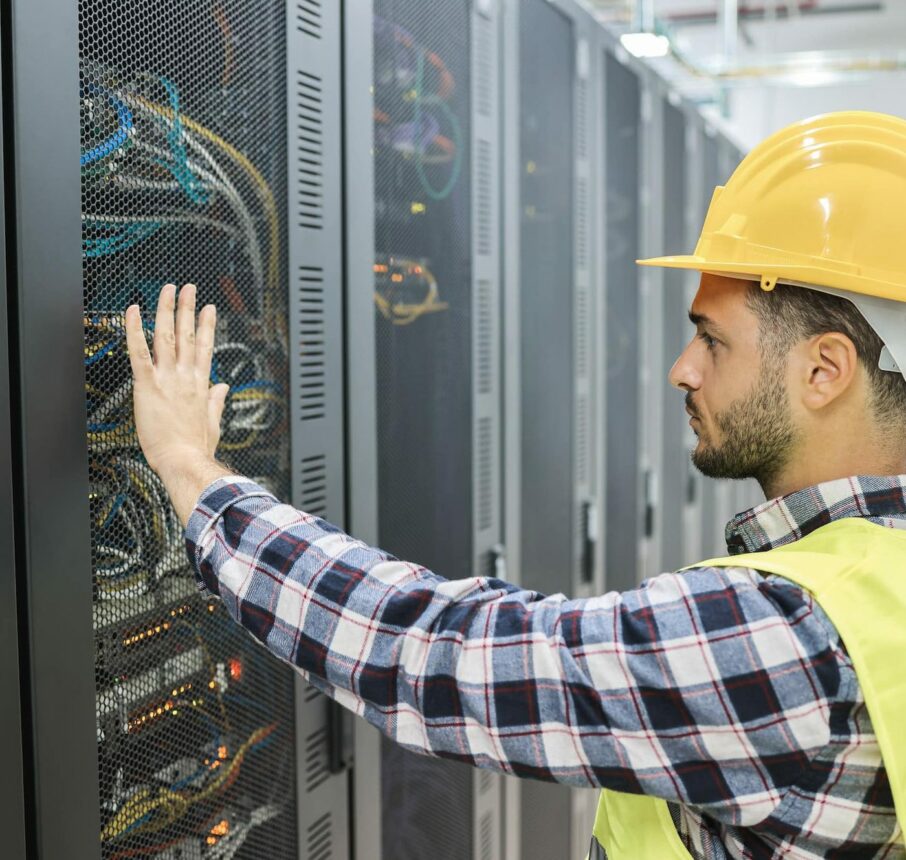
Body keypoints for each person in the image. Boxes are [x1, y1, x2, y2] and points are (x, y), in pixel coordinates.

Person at [125, 111, 906, 859]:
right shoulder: (880, 591)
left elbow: (433, 654)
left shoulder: (793, 641)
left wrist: (194, 471)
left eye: (713, 340)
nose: (683, 368)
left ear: (823, 370)